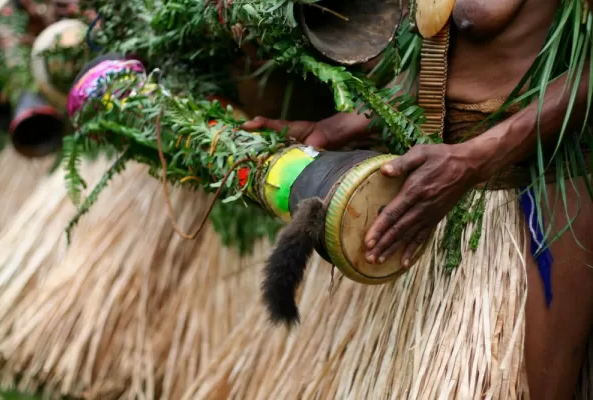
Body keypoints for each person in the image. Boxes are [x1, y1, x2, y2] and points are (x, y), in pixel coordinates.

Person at [241, 0, 593, 398]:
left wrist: (476, 158)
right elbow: (439, 62)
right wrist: (346, 123)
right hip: (439, 201)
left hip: (537, 203)